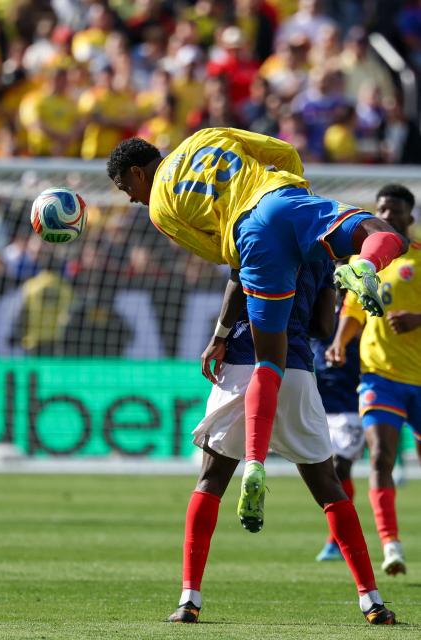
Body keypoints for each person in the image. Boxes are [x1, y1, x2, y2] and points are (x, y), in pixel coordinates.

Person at [107, 127, 407, 535]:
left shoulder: (160, 208)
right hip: (285, 197)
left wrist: (224, 321)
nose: (130, 196)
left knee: (269, 359)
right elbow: (284, 152)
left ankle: (254, 464)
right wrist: (296, 195)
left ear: (139, 174)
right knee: (384, 234)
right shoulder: (205, 136)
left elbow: (223, 255)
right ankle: (365, 266)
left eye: (127, 187)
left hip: (252, 238)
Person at [167, 262, 396, 625]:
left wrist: (219, 337)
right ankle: (372, 601)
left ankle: (188, 600)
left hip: (243, 361)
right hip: (297, 369)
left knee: (210, 480)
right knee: (329, 488)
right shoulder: (321, 252)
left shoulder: (252, 228)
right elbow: (322, 328)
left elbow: (236, 284)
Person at [326, 184, 421, 576]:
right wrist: (339, 342)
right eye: (382, 208)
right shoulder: (364, 261)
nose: (387, 214)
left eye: (395, 210)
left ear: (409, 218)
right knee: (380, 455)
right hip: (379, 376)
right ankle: (391, 545)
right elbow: (353, 308)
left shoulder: (417, 258)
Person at [312, 276, 363, 562]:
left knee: (339, 468)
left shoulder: (359, 315)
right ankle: (338, 538)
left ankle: (336, 541)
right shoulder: (321, 312)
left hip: (351, 407)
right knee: (326, 475)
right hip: (318, 405)